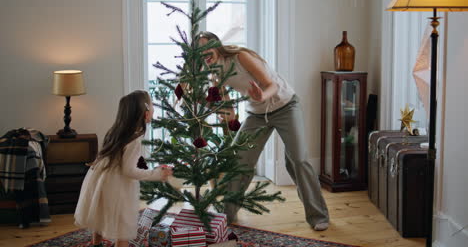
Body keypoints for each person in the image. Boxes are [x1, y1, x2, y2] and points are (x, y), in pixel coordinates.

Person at [198, 31, 330, 231]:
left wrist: (261, 96)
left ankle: (318, 215)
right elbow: (228, 109)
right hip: (257, 115)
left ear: (217, 45)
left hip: (285, 106)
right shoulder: (214, 73)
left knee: (298, 160)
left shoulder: (240, 56)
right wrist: (213, 109)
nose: (203, 53)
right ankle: (226, 216)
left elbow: (272, 85)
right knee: (238, 161)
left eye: (206, 47)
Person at [74, 90, 173, 247]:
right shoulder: (135, 139)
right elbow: (128, 170)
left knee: (99, 216)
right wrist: (157, 174)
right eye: (152, 105)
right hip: (117, 187)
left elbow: (122, 161)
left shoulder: (115, 132)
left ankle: (96, 243)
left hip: (101, 179)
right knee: (123, 228)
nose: (153, 109)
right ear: (145, 113)